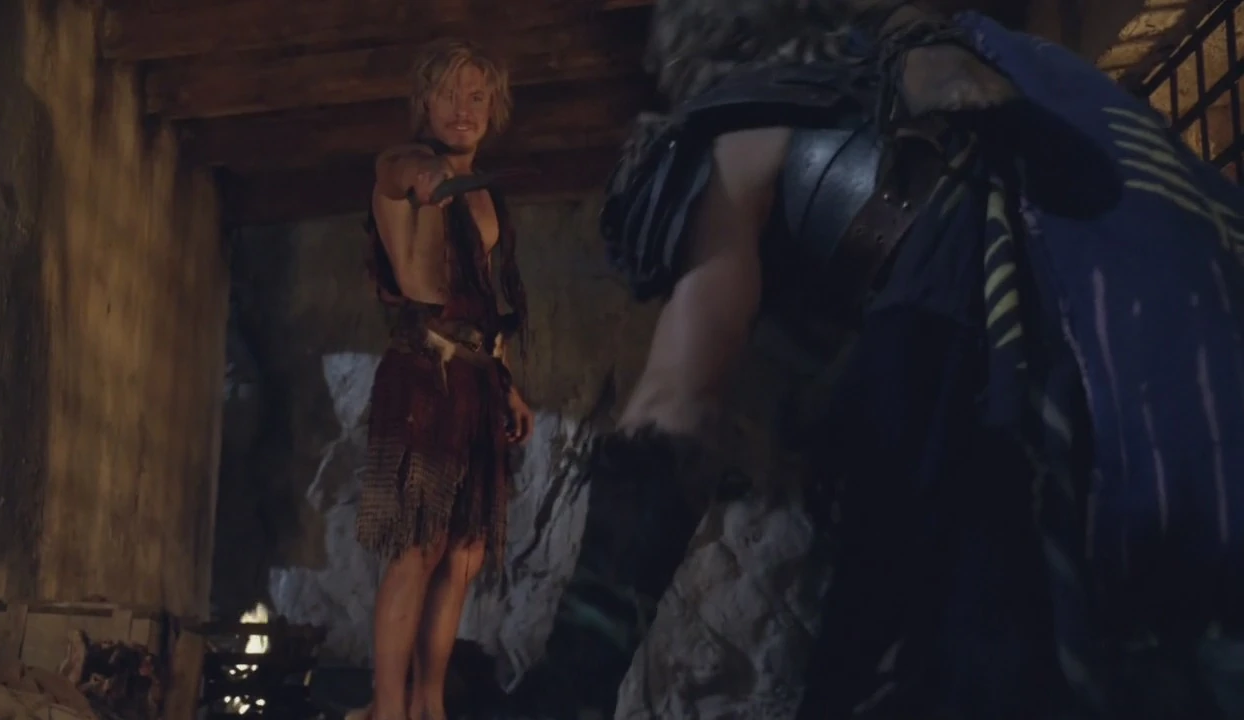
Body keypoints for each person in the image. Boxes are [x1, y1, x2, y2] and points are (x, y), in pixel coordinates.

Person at [552, 0, 1244, 717]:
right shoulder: (1025, 79)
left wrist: (571, 673)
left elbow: (677, 401)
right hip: (1183, 388)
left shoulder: (746, 129)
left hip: (988, 392)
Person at [354, 39, 535, 720]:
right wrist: (426, 178)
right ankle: (388, 708)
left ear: (494, 108)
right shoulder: (407, 164)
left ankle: (429, 706)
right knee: (418, 547)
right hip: (423, 376)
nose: (464, 108)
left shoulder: (486, 192)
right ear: (425, 103)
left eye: (477, 96)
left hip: (477, 381)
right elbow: (395, 170)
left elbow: (486, 301)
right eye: (450, 94)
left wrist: (508, 384)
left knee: (463, 552)